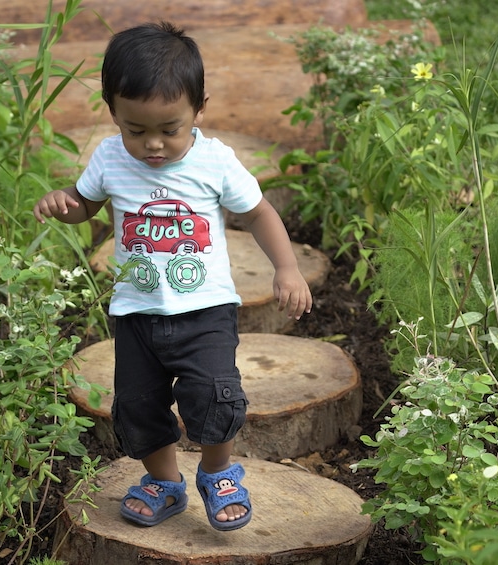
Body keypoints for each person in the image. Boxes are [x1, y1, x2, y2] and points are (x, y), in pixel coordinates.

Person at [33, 21, 313, 531]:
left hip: (205, 309)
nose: (153, 145)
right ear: (112, 110)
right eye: (136, 130)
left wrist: (288, 267)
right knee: (138, 405)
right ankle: (164, 481)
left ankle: (217, 471)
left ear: (199, 108)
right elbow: (87, 206)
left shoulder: (215, 161)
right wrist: (64, 205)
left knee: (213, 393)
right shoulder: (109, 157)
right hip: (136, 313)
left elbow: (258, 213)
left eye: (170, 129)